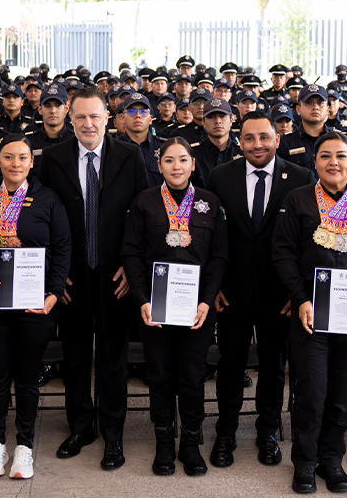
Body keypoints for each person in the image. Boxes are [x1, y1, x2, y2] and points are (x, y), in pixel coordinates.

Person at [272, 131, 347, 493]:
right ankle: (306, 463)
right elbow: (282, 253)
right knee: (311, 392)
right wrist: (300, 298)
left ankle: (331, 460)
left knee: (342, 394)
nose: (333, 163)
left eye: (341, 156)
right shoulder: (298, 201)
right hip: (311, 316)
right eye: (325, 156)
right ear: (315, 162)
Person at [38, 88, 149, 470]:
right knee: (75, 356)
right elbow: (44, 218)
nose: (88, 124)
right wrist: (57, 273)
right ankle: (81, 426)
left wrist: (131, 269)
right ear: (70, 119)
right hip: (72, 277)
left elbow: (142, 214)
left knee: (114, 357)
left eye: (95, 117)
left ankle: (113, 433)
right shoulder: (52, 158)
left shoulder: (130, 155)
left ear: (109, 118)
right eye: (80, 117)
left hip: (116, 275)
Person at [206, 110, 312, 469]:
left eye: (264, 137)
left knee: (272, 367)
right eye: (249, 138)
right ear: (240, 141)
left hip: (279, 295)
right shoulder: (220, 176)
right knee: (231, 366)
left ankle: (268, 431)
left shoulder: (299, 178)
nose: (257, 144)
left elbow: (305, 242)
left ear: (277, 139)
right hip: (231, 292)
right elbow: (210, 237)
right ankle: (226, 432)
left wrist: (296, 293)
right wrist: (213, 286)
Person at [121, 136, 227, 477]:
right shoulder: (146, 202)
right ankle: (164, 443)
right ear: (159, 164)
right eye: (169, 160)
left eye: (183, 160)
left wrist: (207, 301)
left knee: (193, 376)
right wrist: (142, 300)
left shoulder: (210, 202)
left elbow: (218, 256)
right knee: (161, 377)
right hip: (156, 308)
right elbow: (132, 254)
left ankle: (191, 445)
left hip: (196, 309)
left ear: (193, 164)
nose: (176, 166)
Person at [0, 133, 70, 479]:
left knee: (28, 378)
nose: (15, 164)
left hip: (35, 305)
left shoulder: (47, 199)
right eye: (8, 157)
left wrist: (53, 293)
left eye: (22, 158)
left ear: (32, 162)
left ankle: (24, 447)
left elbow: (62, 249)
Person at [114, 92, 166, 188]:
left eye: (143, 112)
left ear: (150, 119)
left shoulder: (164, 147)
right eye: (131, 111)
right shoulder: (113, 148)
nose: (138, 115)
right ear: (122, 118)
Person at [23, 85, 74, 177]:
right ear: (40, 110)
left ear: (66, 109)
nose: (53, 111)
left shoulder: (75, 140)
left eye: (58, 105)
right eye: (47, 106)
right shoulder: (28, 142)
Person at [277, 84, 330, 170]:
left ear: (327, 110)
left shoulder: (339, 140)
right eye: (309, 103)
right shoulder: (285, 142)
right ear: (298, 110)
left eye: (320, 103)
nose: (315, 107)